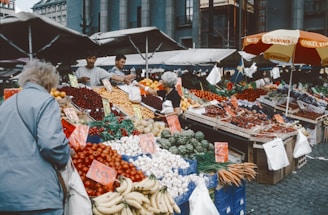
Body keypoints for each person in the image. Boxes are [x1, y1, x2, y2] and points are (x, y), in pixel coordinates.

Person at [0, 59, 71, 215]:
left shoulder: (5, 105)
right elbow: (51, 144)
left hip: (5, 196)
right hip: (37, 196)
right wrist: (66, 155)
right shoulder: (46, 101)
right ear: (49, 82)